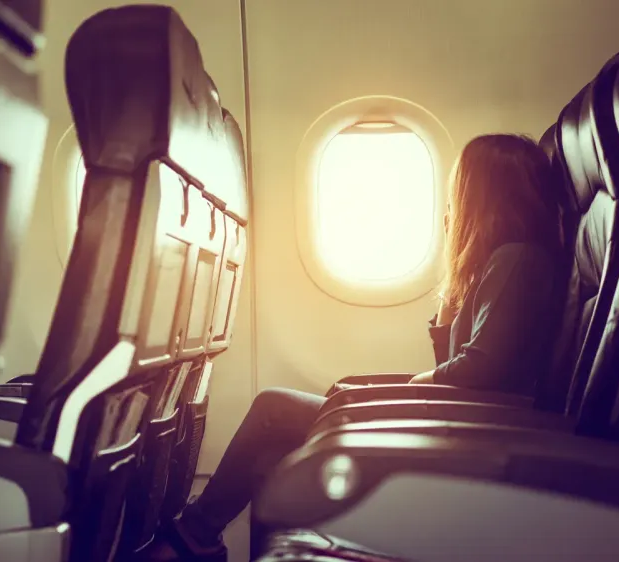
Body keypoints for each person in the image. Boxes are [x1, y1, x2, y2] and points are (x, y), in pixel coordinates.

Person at [143, 133, 566, 561]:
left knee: (273, 408)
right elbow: (455, 361)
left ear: (484, 195)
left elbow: (480, 371)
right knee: (271, 457)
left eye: (459, 194)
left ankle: (190, 540)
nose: (451, 208)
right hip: (459, 425)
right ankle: (200, 541)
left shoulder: (518, 260)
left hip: (476, 438)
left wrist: (410, 386)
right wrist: (452, 275)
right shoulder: (499, 262)